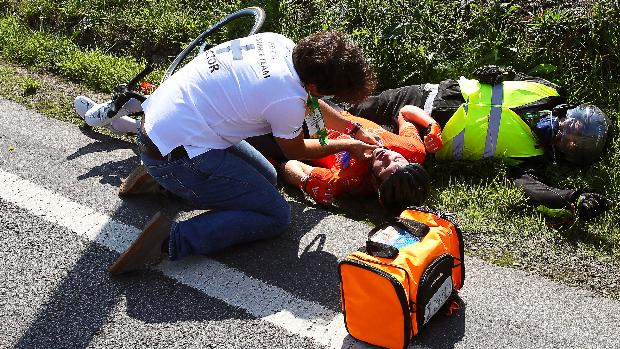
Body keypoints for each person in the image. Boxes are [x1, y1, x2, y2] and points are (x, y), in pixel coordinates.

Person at [75, 31, 380, 275]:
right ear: (313, 84)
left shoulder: (278, 44)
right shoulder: (286, 99)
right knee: (276, 215)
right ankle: (170, 242)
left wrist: (353, 129)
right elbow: (297, 149)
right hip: (177, 155)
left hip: (165, 127)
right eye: (325, 92)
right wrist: (348, 144)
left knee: (269, 176)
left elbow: (310, 102)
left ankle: (164, 181)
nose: (323, 98)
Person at [345, 66, 613, 221]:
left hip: (414, 139)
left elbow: (533, 189)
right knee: (350, 110)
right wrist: (497, 73)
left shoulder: (531, 158)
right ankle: (305, 112)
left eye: (572, 144)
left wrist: (573, 198)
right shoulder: (548, 91)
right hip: (422, 97)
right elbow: (513, 76)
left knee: (351, 148)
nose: (567, 135)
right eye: (575, 128)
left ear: (567, 154)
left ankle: (308, 157)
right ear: (573, 114)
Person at [280, 108, 433, 212]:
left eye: (385, 165)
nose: (387, 156)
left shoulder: (343, 180)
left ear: (374, 182)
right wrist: (431, 124)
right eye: (397, 159)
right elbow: (405, 113)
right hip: (339, 112)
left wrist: (305, 181)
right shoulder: (413, 150)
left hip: (305, 130)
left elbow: (288, 165)